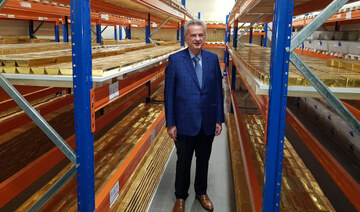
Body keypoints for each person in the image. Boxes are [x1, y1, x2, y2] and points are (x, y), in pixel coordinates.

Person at [164, 19, 225, 212]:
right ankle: (180, 196)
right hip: (184, 122)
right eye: (193, 35)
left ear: (204, 37)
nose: (197, 39)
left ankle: (201, 192)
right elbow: (169, 95)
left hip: (207, 121)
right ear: (186, 38)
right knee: (183, 160)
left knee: (204, 159)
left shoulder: (212, 59)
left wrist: (219, 118)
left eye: (200, 35)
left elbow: (217, 91)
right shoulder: (175, 60)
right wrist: (170, 123)